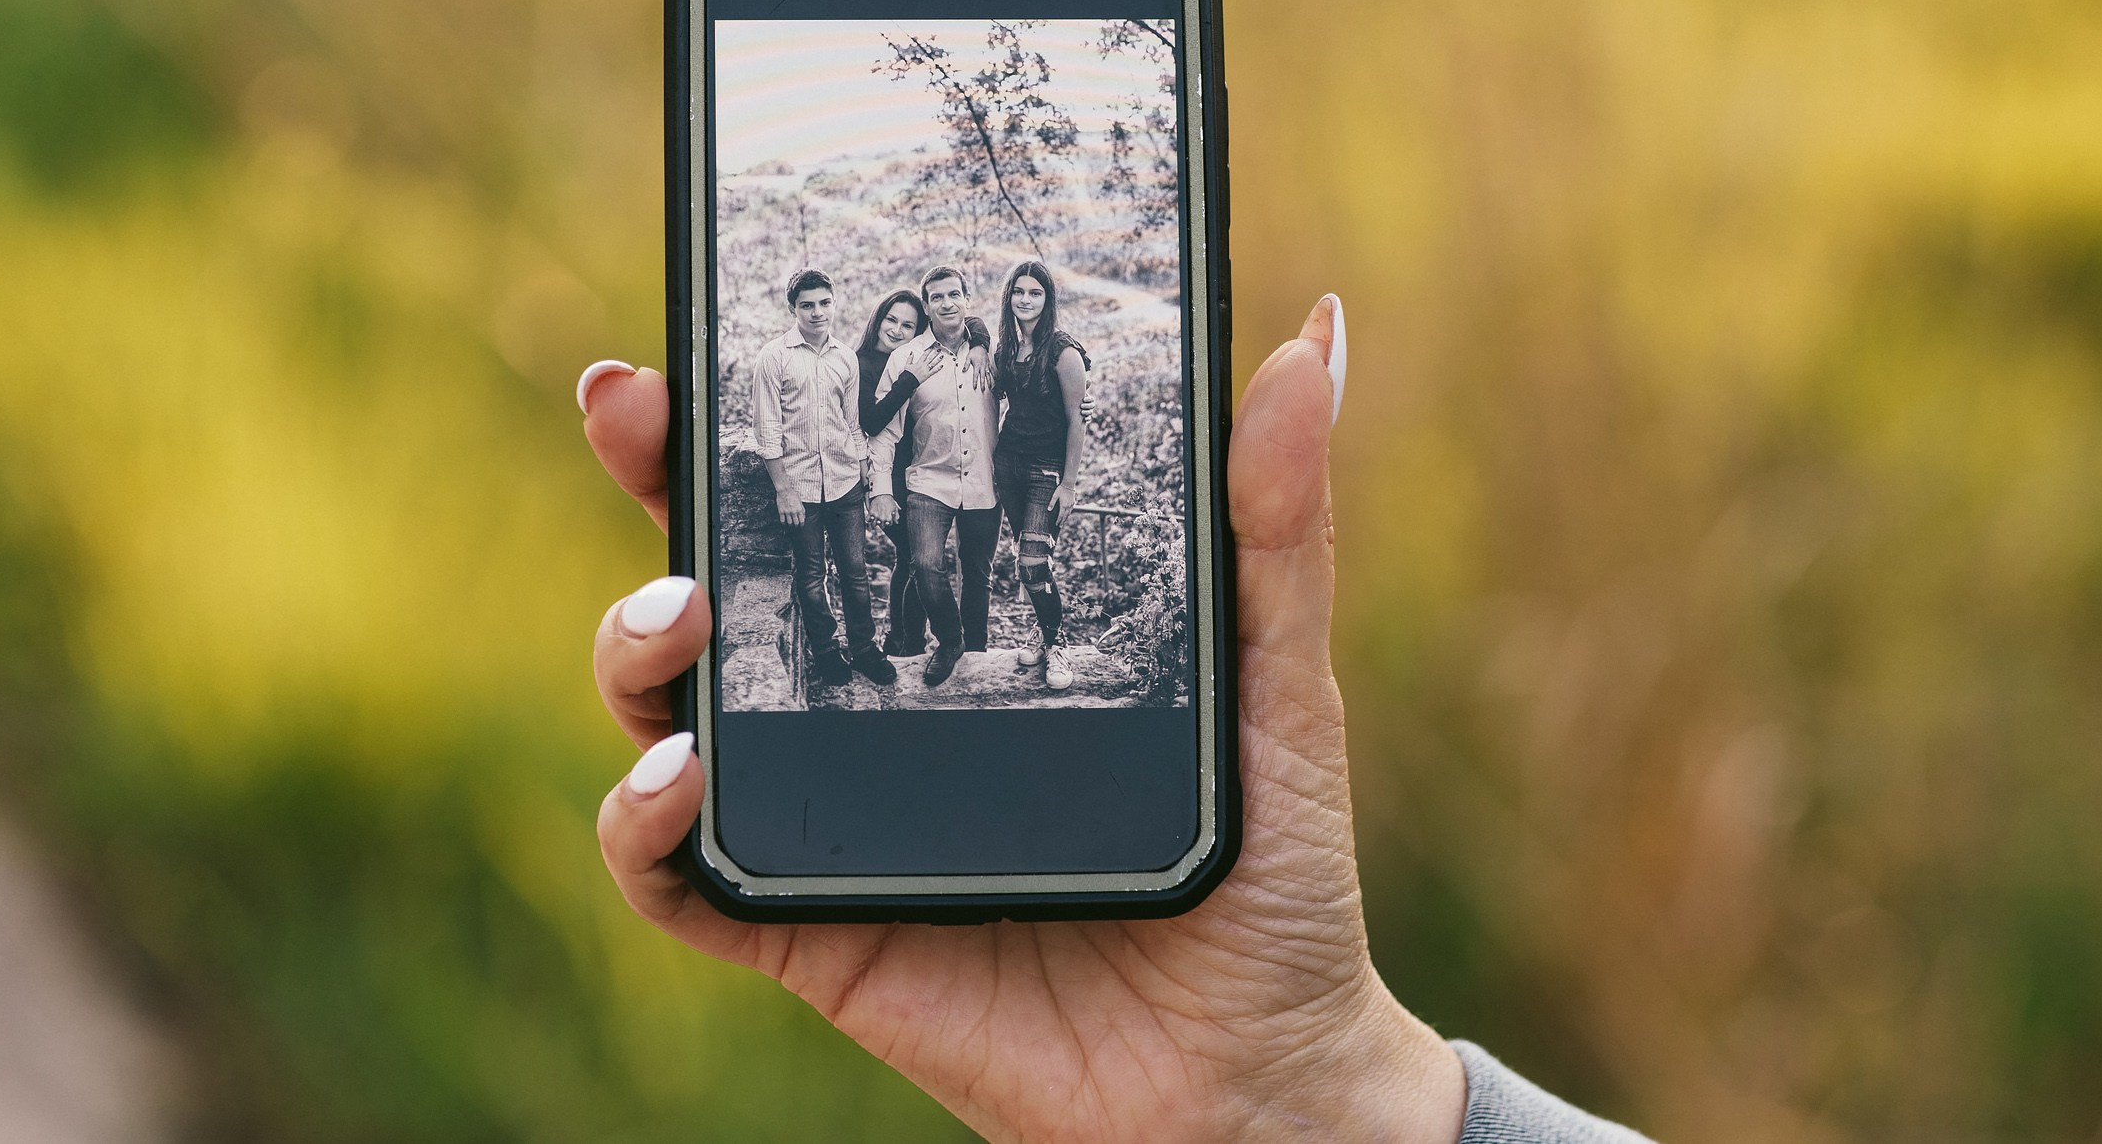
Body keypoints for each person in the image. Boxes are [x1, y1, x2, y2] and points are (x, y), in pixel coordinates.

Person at [578, 299, 1654, 1144]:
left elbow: (1048, 421)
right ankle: (900, 660)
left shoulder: (1040, 358)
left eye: (971, 299)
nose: (961, 310)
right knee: (890, 580)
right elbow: (869, 423)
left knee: (960, 578)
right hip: (903, 481)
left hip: (988, 481)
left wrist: (1308, 1095)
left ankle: (977, 652)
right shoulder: (881, 361)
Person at [748, 269, 895, 691]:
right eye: (807, 305)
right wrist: (784, 489)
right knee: (812, 576)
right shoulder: (773, 357)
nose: (817, 313)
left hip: (846, 482)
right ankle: (827, 652)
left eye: (824, 303)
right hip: (802, 491)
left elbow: (851, 425)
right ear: (793, 308)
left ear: (834, 303)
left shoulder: (845, 357)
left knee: (855, 572)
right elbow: (767, 432)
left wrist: (866, 470)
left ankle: (865, 649)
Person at [864, 264, 1001, 687]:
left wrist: (1080, 402)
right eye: (937, 297)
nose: (946, 303)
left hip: (983, 479)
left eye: (953, 295)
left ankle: (975, 652)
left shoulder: (990, 353)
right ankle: (950, 640)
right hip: (927, 480)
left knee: (977, 572)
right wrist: (881, 490)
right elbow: (884, 432)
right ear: (927, 305)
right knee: (924, 563)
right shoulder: (906, 358)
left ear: (967, 300)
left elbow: (1035, 391)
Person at [990, 260, 1090, 691]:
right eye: (1018, 292)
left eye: (1034, 292)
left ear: (1047, 299)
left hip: (1046, 471)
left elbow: (1077, 420)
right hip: (1008, 465)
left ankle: (1058, 644)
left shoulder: (1063, 351)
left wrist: (1068, 484)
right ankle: (1042, 629)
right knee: (1032, 560)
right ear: (1009, 297)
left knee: (1032, 561)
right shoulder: (1005, 349)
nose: (1025, 300)